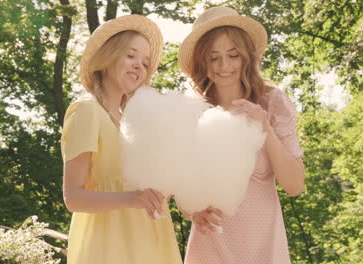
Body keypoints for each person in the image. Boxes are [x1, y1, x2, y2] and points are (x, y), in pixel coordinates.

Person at [177, 7, 305, 264]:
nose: (224, 66)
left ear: (246, 56)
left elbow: (294, 185)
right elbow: (182, 189)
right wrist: (193, 212)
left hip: (264, 247)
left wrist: (265, 129)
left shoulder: (273, 102)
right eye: (214, 58)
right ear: (202, 62)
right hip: (209, 246)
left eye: (233, 55)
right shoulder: (191, 112)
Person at [61, 15, 183, 264]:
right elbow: (73, 197)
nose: (140, 66)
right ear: (108, 56)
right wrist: (133, 198)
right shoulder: (87, 110)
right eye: (131, 55)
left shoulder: (137, 121)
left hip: (151, 240)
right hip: (109, 244)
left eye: (146, 62)